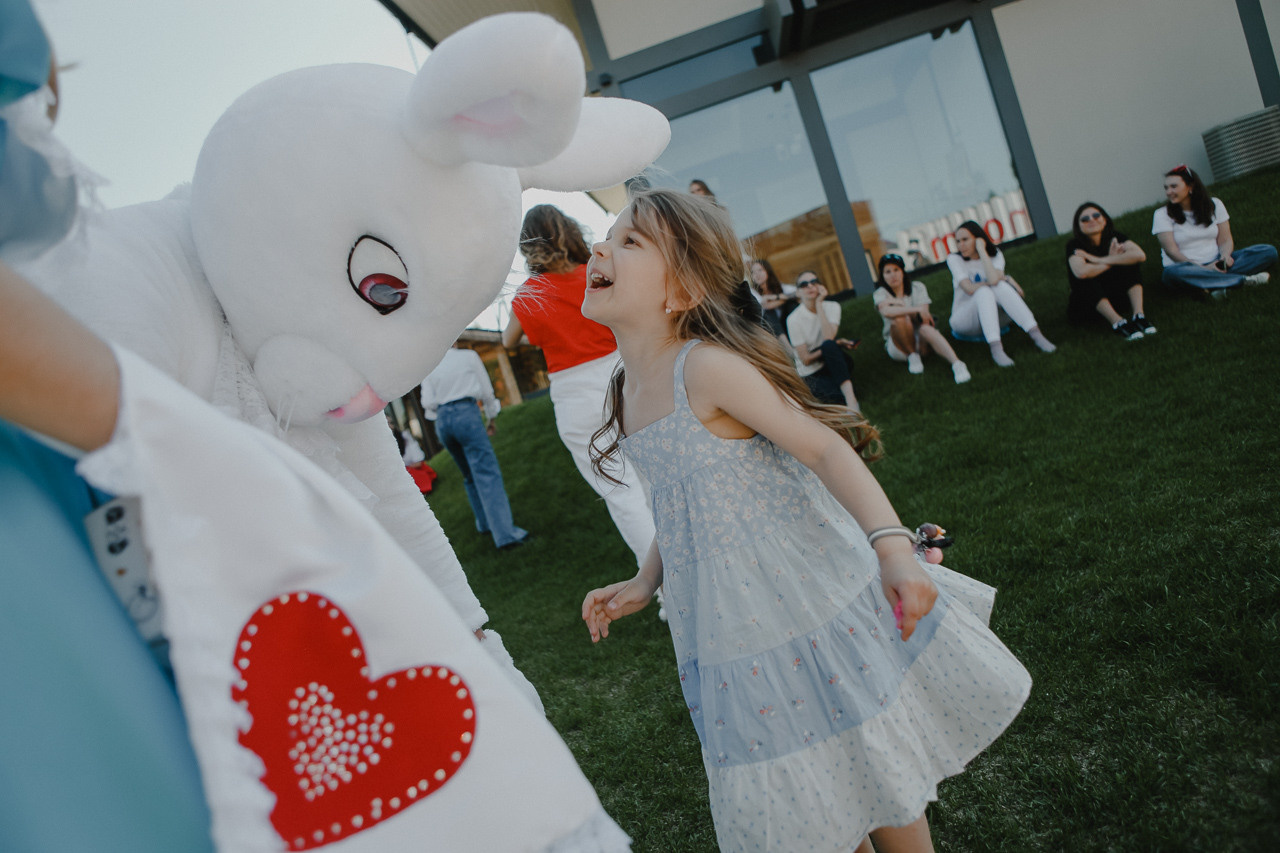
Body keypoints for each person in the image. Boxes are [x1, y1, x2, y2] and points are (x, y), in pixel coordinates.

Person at [578, 188, 1030, 853]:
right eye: (606, 237)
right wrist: (646, 582)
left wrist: (894, 548)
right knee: (813, 801)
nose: (599, 249)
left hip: (808, 603)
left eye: (627, 241)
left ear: (683, 288)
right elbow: (680, 505)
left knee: (876, 777)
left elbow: (821, 447)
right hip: (734, 632)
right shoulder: (624, 387)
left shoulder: (704, 369)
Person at [504, 204, 655, 568]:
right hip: (624, 376)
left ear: (528, 245)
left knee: (620, 494)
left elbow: (509, 342)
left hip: (575, 396)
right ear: (569, 231)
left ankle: (665, 587)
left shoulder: (528, 295)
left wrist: (542, 336)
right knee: (654, 479)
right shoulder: (596, 274)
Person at [420, 344, 530, 550]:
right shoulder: (468, 356)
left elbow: (428, 403)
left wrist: (444, 413)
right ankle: (506, 536)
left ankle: (485, 524)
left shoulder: (430, 365)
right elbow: (487, 392)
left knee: (469, 475)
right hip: (466, 414)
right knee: (486, 473)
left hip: (443, 421)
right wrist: (491, 418)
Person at [1152, 164, 1276, 297]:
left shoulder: (1214, 205)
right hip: (1185, 267)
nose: (1168, 192)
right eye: (1166, 188)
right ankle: (1244, 280)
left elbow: (1225, 239)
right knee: (1171, 274)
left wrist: (1225, 257)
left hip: (1217, 262)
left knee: (1267, 251)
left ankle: (1210, 285)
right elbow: (1172, 252)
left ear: (1191, 187)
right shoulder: (1161, 214)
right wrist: (1203, 269)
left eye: (1174, 186)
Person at [947, 220, 1056, 367]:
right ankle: (996, 349)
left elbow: (994, 280)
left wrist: (982, 251)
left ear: (979, 238)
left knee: (1000, 287)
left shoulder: (995, 254)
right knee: (985, 290)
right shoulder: (954, 259)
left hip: (997, 318)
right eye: (958, 241)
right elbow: (969, 288)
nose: (961, 245)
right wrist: (1005, 279)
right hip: (966, 320)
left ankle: (1036, 335)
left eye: (965, 239)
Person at [873, 253, 970, 382]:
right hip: (898, 346)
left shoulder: (917, 288)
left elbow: (924, 317)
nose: (893, 275)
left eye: (896, 270)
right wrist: (914, 308)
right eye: (887, 272)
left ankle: (957, 364)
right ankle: (912, 356)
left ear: (902, 271)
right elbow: (886, 311)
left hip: (921, 340)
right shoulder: (880, 293)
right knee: (900, 319)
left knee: (925, 328)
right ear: (883, 276)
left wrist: (899, 305)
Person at [1066, 202, 1154, 339]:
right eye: (1085, 219)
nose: (1091, 220)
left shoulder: (1115, 237)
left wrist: (1096, 259)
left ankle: (1139, 316)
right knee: (1085, 278)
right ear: (1078, 226)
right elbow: (1081, 272)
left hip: (1116, 296)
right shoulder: (1074, 245)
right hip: (1087, 306)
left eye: (1096, 215)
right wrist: (1113, 259)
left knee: (1131, 263)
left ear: (1104, 219)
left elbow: (1140, 255)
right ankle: (1117, 322)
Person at [785, 270, 861, 411]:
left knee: (832, 349)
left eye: (814, 282)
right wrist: (837, 343)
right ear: (798, 293)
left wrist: (819, 305)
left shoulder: (832, 307)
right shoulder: (793, 320)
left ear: (820, 286)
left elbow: (828, 338)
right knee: (835, 397)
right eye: (804, 284)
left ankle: (852, 401)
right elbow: (805, 359)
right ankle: (846, 392)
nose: (810, 286)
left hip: (830, 358)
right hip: (811, 371)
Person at [748, 257, 797, 340]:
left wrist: (774, 297)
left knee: (791, 304)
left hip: (785, 323)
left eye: (760, 270)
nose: (757, 274)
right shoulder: (752, 291)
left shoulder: (779, 287)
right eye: (753, 272)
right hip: (769, 329)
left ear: (767, 271)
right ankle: (788, 349)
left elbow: (797, 293)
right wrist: (784, 298)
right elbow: (765, 305)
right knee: (769, 312)